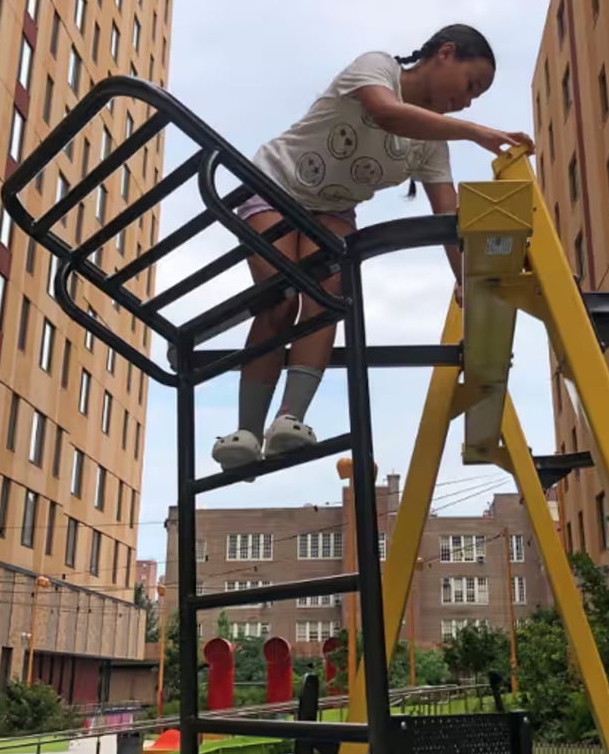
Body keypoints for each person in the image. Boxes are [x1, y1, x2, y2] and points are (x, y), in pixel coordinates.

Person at [212, 23, 534, 475]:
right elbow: (386, 114)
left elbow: (448, 219)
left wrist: (467, 280)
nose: (467, 101)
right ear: (445, 53)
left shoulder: (431, 145)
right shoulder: (377, 68)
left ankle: (290, 419)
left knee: (328, 297)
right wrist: (474, 131)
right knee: (280, 299)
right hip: (276, 185)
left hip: (332, 210)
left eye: (476, 97)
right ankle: (246, 430)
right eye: (470, 85)